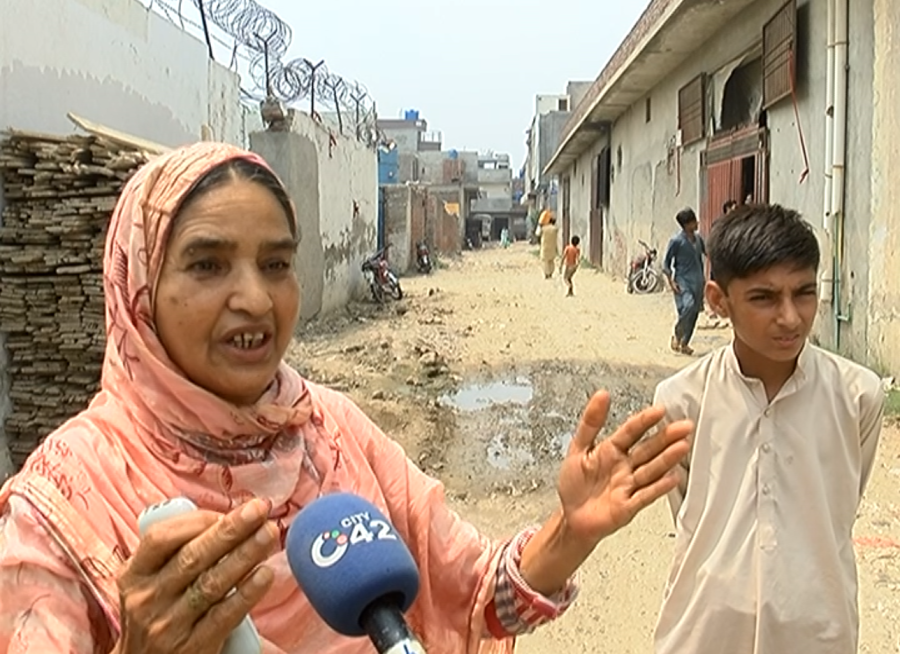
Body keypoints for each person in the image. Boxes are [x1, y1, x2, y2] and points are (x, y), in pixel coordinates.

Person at [0, 142, 693, 654]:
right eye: (208, 264)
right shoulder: (61, 507)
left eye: (276, 264)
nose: (254, 298)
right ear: (138, 288)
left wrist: (571, 531)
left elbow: (476, 593)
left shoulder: (331, 431)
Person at [652, 204, 885, 654]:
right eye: (764, 298)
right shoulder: (680, 402)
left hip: (818, 634)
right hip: (704, 634)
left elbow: (839, 504)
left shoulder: (859, 398)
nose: (791, 317)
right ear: (719, 300)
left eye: (804, 293)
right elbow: (690, 516)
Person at [662, 208, 706, 355]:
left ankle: (684, 343)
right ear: (686, 224)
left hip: (698, 281)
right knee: (688, 306)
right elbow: (666, 264)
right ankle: (678, 333)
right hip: (683, 281)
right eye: (694, 221)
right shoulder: (676, 241)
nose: (696, 223)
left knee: (694, 313)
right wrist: (671, 282)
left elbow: (708, 253)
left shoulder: (698, 239)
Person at [706, 200, 737, 323]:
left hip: (731, 256)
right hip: (719, 254)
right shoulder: (718, 224)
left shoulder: (737, 225)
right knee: (716, 280)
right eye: (733, 208)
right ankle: (714, 308)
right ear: (727, 209)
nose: (735, 210)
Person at [539, 215, 560, 279]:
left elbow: (537, 233)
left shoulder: (544, 228)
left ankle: (546, 274)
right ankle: (551, 273)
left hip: (545, 246)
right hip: (552, 247)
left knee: (545, 261)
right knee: (551, 261)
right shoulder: (555, 229)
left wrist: (540, 224)